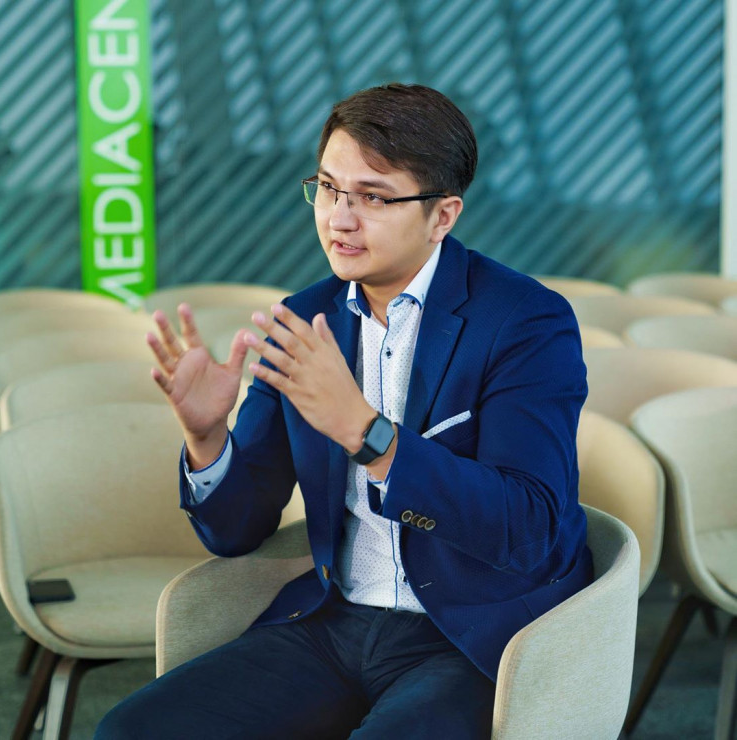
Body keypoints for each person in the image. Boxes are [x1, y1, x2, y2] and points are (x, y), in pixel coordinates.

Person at [96, 83, 592, 739]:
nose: (339, 219)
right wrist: (208, 438)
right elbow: (237, 531)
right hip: (335, 621)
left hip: (473, 631)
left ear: (442, 216)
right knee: (132, 731)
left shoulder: (524, 321)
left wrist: (368, 434)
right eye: (329, 189)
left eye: (374, 198)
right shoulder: (305, 318)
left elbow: (529, 526)